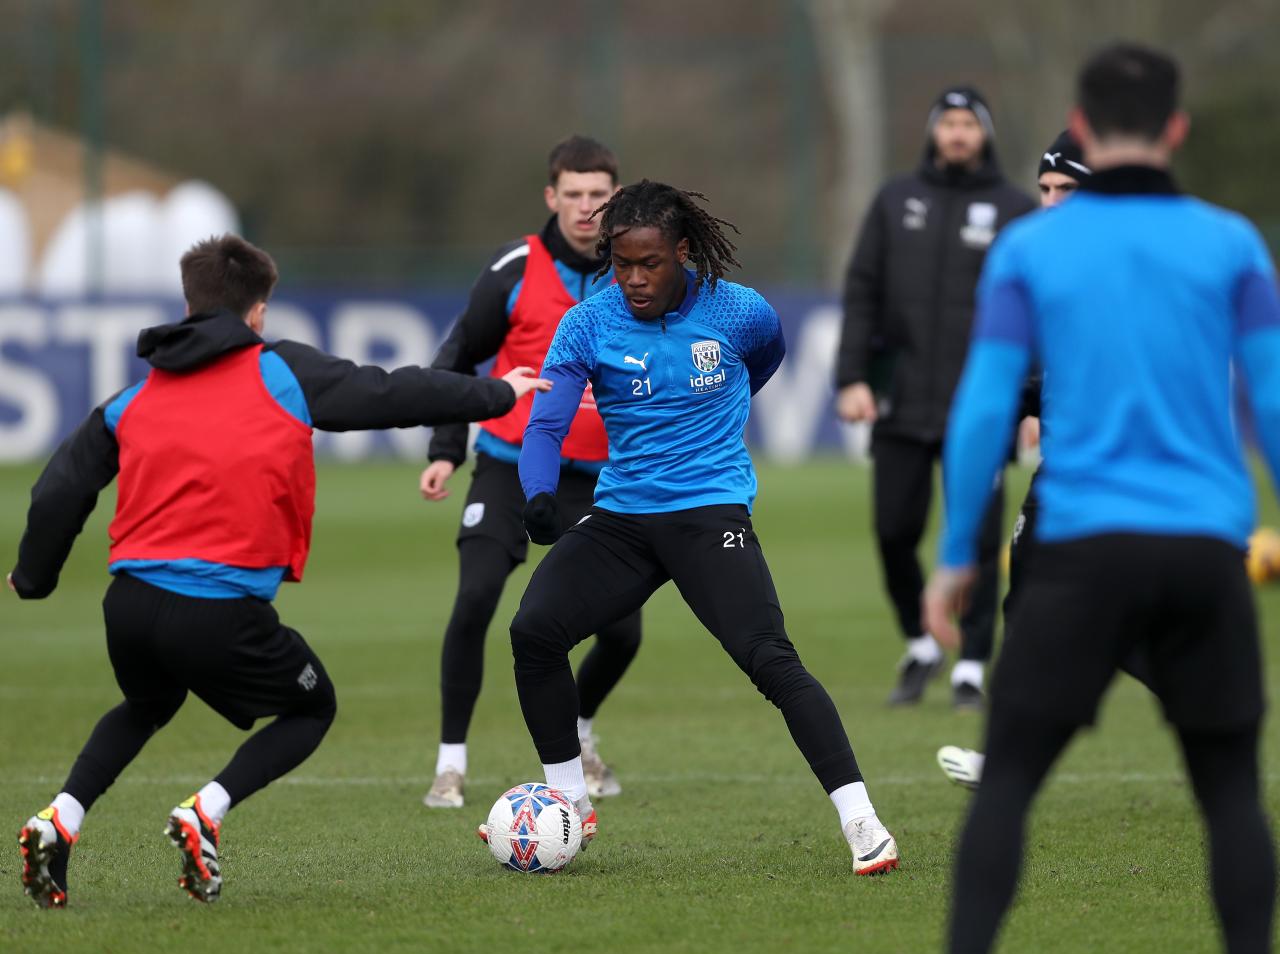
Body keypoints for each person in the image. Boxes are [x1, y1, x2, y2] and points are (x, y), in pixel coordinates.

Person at [9, 234, 549, 908]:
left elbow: (59, 488)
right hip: (217, 609)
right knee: (310, 707)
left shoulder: (136, 393)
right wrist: (497, 393)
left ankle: (61, 817)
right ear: (258, 312)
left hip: (128, 606)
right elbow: (389, 393)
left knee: (148, 703)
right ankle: (205, 811)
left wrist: (34, 576)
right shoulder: (280, 371)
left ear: (190, 303)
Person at [924, 44, 1279, 954]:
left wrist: (957, 554)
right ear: (1175, 129)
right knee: (1231, 796)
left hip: (1080, 549)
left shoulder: (1031, 249)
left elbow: (984, 409)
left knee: (1007, 786)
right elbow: (1274, 399)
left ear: (1082, 126)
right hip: (1205, 548)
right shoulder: (1232, 243)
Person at [496, 179, 900, 875]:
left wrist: (714, 428)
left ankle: (862, 821)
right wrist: (538, 493)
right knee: (533, 631)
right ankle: (570, 805)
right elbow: (548, 424)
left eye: (649, 263)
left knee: (770, 659)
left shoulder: (741, 312)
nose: (633, 279)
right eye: (621, 264)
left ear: (682, 252)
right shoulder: (588, 323)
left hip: (710, 514)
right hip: (623, 519)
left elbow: (764, 361)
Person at [418, 135, 640, 808]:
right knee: (476, 598)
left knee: (622, 631)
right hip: (509, 465)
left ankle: (580, 731)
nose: (585, 207)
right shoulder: (515, 267)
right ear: (551, 196)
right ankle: (450, 764)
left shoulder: (638, 267)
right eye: (573, 194)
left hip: (600, 479)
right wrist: (446, 448)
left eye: (598, 194)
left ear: (615, 197)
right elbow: (458, 355)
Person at [836, 86, 1036, 709]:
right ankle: (922, 641)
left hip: (982, 405)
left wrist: (1032, 403)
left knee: (981, 539)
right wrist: (851, 376)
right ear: (933, 131)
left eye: (967, 123)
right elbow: (862, 290)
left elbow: (1037, 312)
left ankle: (971, 662)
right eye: (947, 123)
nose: (956, 133)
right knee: (893, 530)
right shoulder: (895, 200)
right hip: (902, 400)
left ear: (984, 134)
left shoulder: (1014, 208)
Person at [937, 130, 1093, 788]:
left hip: (1105, 478)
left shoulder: (1115, 265)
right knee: (1029, 608)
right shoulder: (1043, 263)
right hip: (1064, 472)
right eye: (1046, 188)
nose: (1051, 202)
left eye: (1068, 189)